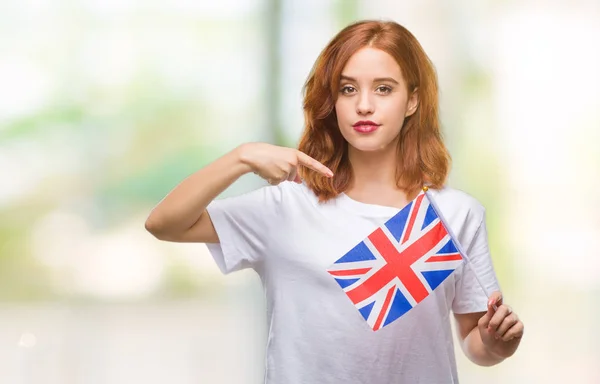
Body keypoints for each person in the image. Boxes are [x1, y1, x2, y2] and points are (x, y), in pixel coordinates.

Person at [145, 19, 524, 384]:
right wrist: (241, 157)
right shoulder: (286, 207)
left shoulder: (456, 214)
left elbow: (475, 342)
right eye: (347, 89)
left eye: (383, 89)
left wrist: (495, 344)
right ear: (333, 102)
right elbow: (164, 223)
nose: (363, 105)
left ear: (412, 101)